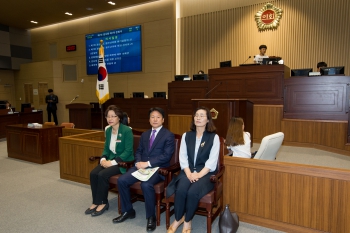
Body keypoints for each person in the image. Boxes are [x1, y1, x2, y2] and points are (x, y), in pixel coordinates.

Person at [113, 107, 175, 231]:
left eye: (158, 117)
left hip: (158, 169)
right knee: (122, 180)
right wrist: (138, 162)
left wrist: (147, 163)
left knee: (146, 185)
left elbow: (166, 156)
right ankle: (128, 211)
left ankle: (151, 217)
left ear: (163, 120)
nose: (155, 119)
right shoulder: (145, 134)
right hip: (141, 167)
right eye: (152, 117)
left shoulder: (168, 135)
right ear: (149, 119)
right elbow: (139, 151)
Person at [167, 106, 220, 233]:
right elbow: (183, 157)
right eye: (196, 115)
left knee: (192, 192)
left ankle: (187, 220)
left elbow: (212, 161)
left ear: (208, 119)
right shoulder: (187, 135)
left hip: (206, 173)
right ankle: (178, 218)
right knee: (181, 189)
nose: (198, 117)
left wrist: (198, 175)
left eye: (202, 115)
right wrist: (189, 173)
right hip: (188, 171)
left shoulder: (214, 137)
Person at [85, 105, 134, 217]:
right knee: (93, 173)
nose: (110, 119)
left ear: (119, 118)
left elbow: (128, 151)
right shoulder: (108, 130)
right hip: (110, 159)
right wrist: (103, 159)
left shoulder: (126, 130)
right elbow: (106, 148)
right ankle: (96, 201)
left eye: (113, 116)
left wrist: (111, 163)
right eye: (108, 116)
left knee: (102, 174)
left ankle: (103, 203)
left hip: (123, 162)